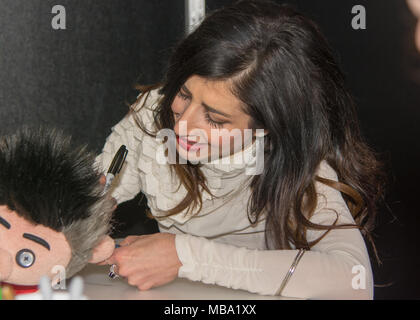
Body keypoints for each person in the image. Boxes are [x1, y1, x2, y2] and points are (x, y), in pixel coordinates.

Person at [96, 0, 386, 299]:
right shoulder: (154, 115)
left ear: (268, 127)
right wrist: (79, 225)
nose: (181, 128)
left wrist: (187, 257)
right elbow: (94, 193)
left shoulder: (298, 165)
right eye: (183, 94)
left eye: (215, 119)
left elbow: (355, 279)